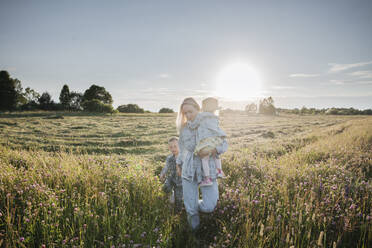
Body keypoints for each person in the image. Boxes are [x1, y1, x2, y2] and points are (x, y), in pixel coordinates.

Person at [175, 97, 228, 231]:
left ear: (198, 109)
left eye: (190, 112)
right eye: (185, 113)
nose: (188, 115)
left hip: (207, 169)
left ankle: (190, 205)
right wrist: (178, 164)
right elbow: (181, 149)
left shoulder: (208, 122)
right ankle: (194, 234)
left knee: (210, 205)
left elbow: (224, 142)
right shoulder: (184, 129)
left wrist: (213, 149)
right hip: (189, 169)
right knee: (191, 211)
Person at [195, 97, 227, 187]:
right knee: (217, 155)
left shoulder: (201, 116)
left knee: (204, 159)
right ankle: (219, 170)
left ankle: (207, 178)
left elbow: (195, 123)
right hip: (215, 140)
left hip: (206, 141)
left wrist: (190, 124)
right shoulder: (216, 118)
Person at [160, 137, 183, 212]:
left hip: (180, 182)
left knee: (179, 199)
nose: (173, 149)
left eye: (175, 146)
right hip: (171, 178)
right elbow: (166, 167)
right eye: (171, 147)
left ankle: (177, 213)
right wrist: (162, 174)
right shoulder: (169, 158)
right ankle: (167, 202)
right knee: (165, 189)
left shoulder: (183, 157)